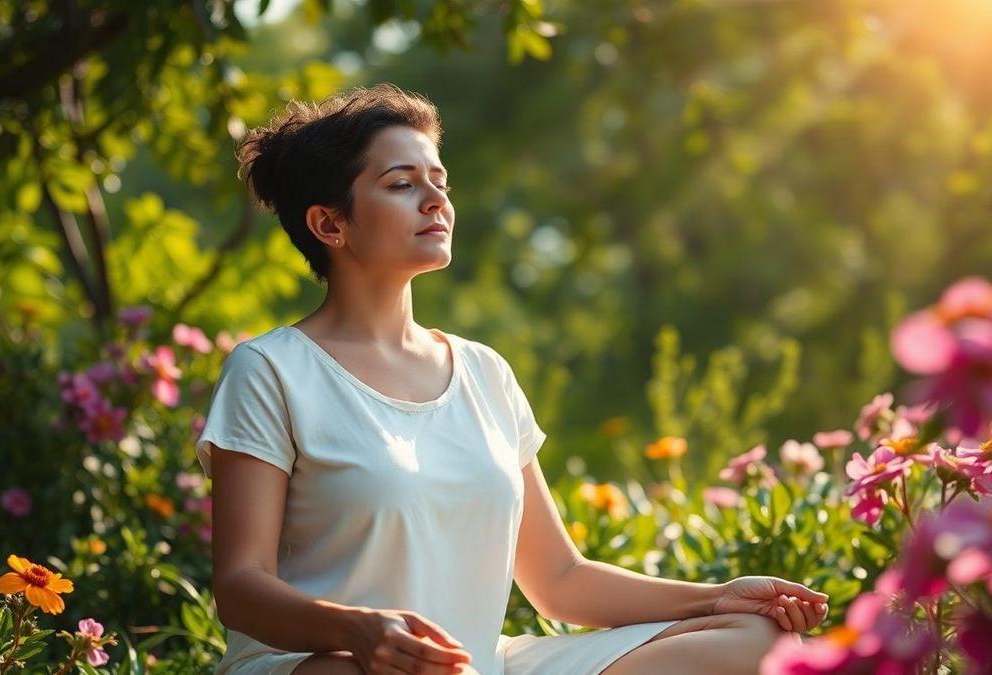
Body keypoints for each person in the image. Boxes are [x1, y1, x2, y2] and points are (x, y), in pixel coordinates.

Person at [196, 83, 829, 675]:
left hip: (479, 664)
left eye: (439, 181)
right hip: (332, 666)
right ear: (330, 224)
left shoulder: (484, 373)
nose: (436, 200)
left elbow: (559, 579)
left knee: (757, 641)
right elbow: (242, 589)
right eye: (401, 184)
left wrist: (717, 598)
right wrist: (360, 633)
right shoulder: (271, 372)